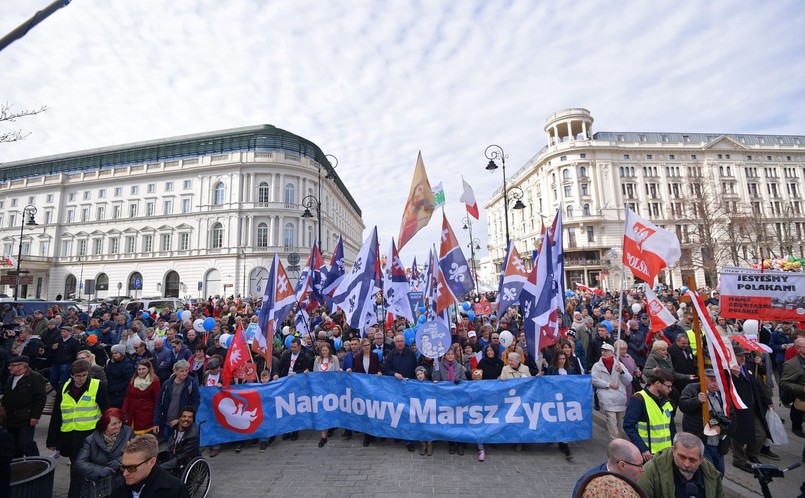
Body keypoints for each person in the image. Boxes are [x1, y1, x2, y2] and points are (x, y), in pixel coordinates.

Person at [47, 359, 111, 498]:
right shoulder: (64, 388)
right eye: (78, 376)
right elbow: (57, 415)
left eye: (84, 375)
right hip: (70, 436)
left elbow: (106, 411)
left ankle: (79, 494)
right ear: (72, 375)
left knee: (82, 468)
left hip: (91, 435)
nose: (81, 378)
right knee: (77, 469)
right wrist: (52, 439)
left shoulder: (97, 386)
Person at [678, 368, 732, 477]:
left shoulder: (724, 394)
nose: (715, 384)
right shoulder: (693, 388)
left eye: (717, 380)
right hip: (700, 440)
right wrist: (697, 401)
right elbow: (682, 406)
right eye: (712, 380)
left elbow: (732, 419)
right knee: (707, 473)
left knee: (719, 473)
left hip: (718, 443)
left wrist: (720, 428)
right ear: (703, 379)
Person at [730, 345, 775, 473]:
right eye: (740, 356)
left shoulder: (748, 367)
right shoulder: (728, 369)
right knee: (738, 435)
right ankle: (739, 460)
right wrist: (736, 376)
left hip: (753, 407)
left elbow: (757, 386)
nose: (743, 358)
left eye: (744, 355)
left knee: (761, 434)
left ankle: (751, 453)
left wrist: (767, 401)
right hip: (738, 409)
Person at [637, 432, 724, 498]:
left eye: (692, 460)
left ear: (701, 459)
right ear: (673, 450)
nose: (686, 464)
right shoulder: (651, 471)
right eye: (682, 457)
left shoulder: (712, 474)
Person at [74, 408, 135, 497]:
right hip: (98, 487)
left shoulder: (128, 432)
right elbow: (79, 463)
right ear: (105, 425)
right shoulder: (91, 440)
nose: (118, 426)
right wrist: (99, 470)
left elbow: (134, 452)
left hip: (121, 483)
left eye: (120, 422)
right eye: (114, 424)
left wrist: (119, 461)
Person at [110, 434, 189, 498]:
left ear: (151, 462)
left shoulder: (175, 489)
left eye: (131, 468)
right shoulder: (119, 484)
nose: (125, 474)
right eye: (123, 467)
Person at [623, 368, 676, 462]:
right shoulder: (639, 399)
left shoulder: (665, 399)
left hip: (666, 453)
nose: (670, 389)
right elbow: (628, 426)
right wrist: (643, 449)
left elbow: (671, 426)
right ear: (657, 384)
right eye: (668, 386)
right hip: (648, 455)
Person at [1, 355, 47, 457]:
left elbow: (40, 398)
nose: (10, 368)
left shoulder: (34, 377)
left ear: (22, 366)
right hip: (11, 418)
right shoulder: (10, 379)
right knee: (14, 446)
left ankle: (36, 463)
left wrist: (35, 416)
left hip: (26, 418)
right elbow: (6, 395)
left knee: (25, 443)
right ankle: (18, 466)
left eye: (13, 365)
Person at [572, 438, 646, 498]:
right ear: (622, 465)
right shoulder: (586, 484)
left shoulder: (633, 480)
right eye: (639, 465)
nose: (643, 470)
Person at [592, 343, 633, 441]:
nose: (603, 352)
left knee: (620, 424)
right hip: (607, 398)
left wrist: (621, 372)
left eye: (606, 351)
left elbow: (628, 380)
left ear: (612, 353)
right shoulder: (597, 366)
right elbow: (594, 380)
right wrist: (608, 384)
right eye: (602, 350)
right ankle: (615, 443)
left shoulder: (619, 365)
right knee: (612, 422)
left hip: (620, 397)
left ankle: (618, 442)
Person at [153, 360, 200, 445]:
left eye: (186, 370)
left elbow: (195, 403)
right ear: (175, 371)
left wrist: (181, 419)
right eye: (182, 371)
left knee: (182, 446)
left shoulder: (192, 384)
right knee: (169, 444)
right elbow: (159, 402)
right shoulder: (167, 384)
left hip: (183, 423)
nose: (185, 373)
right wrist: (156, 422)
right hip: (167, 422)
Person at [432, 348, 467, 455]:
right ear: (445, 356)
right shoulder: (440, 365)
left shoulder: (459, 366)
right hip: (446, 397)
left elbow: (465, 380)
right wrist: (435, 369)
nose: (450, 356)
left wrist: (459, 381)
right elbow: (436, 379)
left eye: (452, 354)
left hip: (458, 397)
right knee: (450, 421)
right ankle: (451, 444)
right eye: (448, 354)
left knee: (459, 421)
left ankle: (460, 444)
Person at [122, 360, 161, 435]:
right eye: (139, 369)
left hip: (145, 415)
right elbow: (128, 396)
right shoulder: (133, 379)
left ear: (149, 369)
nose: (141, 371)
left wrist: (156, 419)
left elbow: (157, 400)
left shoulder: (154, 381)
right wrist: (124, 411)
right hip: (132, 414)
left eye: (143, 369)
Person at [158, 406, 200, 473]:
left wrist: (164, 465)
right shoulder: (177, 428)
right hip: (174, 455)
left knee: (160, 468)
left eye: (190, 417)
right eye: (184, 416)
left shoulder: (193, 435)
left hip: (183, 460)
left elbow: (184, 456)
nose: (186, 419)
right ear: (179, 418)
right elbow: (170, 445)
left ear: (193, 419)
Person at [313, 343, 339, 447]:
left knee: (330, 409)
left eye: (325, 350)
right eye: (322, 350)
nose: (324, 352)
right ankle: (323, 436)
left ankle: (331, 427)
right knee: (321, 411)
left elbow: (337, 373)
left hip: (331, 389)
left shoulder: (334, 359)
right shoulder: (317, 360)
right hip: (320, 389)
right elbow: (314, 373)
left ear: (329, 351)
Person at [781, 335, 805, 441]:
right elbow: (784, 382)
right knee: (797, 413)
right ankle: (796, 427)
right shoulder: (791, 364)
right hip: (801, 398)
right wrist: (802, 389)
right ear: (797, 348)